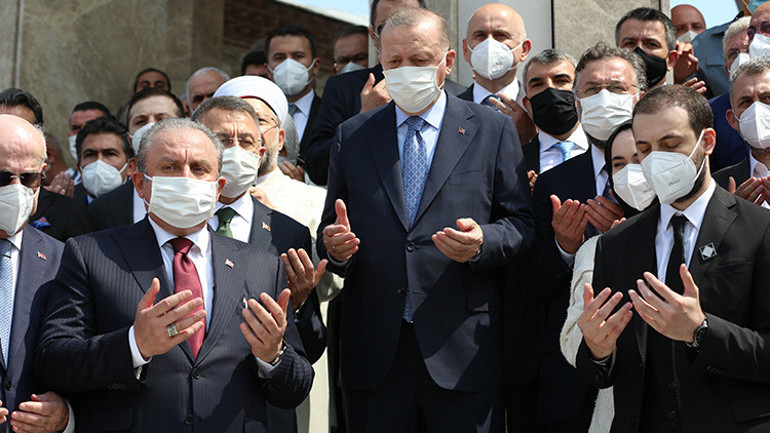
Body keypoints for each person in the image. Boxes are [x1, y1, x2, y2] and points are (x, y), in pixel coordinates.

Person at [319, 8, 534, 431]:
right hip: (375, 353)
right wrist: (336, 249)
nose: (404, 71)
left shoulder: (492, 130)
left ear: (447, 62)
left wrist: (483, 242)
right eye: (393, 62)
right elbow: (332, 234)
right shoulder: (352, 136)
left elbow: (522, 225)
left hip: (463, 352)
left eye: (418, 61)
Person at [36, 118, 314, 432]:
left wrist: (272, 355)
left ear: (218, 187)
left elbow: (297, 387)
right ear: (140, 184)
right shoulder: (91, 255)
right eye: (169, 167)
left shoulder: (262, 265)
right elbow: (54, 361)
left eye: (199, 168)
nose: (186, 179)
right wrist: (133, 345)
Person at [576, 84, 770, 432]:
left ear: (707, 142)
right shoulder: (617, 244)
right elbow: (602, 374)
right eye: (644, 149)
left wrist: (701, 331)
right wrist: (596, 349)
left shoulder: (760, 229)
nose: (655, 160)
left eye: (670, 145)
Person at [522, 42, 646, 433]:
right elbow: (530, 286)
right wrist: (565, 247)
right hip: (571, 370)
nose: (603, 97)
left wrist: (627, 232)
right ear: (577, 102)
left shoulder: (665, 172)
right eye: (591, 90)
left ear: (639, 97)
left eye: (616, 87)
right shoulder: (554, 183)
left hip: (650, 365)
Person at [194, 95, 328, 433]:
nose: (235, 150)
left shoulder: (288, 231)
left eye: (247, 141)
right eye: (223, 140)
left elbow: (308, 349)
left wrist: (297, 305)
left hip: (259, 415)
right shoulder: (172, 221)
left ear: (260, 152)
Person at [559, 121, 656, 433]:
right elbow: (574, 338)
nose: (631, 171)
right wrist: (595, 345)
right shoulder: (598, 250)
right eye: (619, 163)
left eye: (641, 158)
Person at [302, 0, 465, 186]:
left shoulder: (459, 97)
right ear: (373, 36)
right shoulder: (345, 89)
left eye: (410, 18)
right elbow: (318, 169)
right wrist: (363, 119)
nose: (401, 29)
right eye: (388, 24)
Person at [0, 114, 73, 433]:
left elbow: (84, 358)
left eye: (28, 178)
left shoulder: (67, 261)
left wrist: (67, 415)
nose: (16, 189)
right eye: (2, 177)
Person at [88, 89, 183, 230]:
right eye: (140, 121)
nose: (151, 127)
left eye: (162, 119)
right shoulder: (103, 208)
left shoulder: (205, 193)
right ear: (129, 138)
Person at [459, 3, 537, 146]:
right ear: (465, 50)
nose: (489, 44)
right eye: (480, 36)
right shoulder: (449, 110)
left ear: (524, 50)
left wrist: (531, 136)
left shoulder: (537, 109)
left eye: (501, 35)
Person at [713, 57, 770, 208]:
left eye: (767, 98)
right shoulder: (717, 187)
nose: (757, 110)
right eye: (746, 102)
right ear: (733, 120)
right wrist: (730, 220)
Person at [520, 49, 587, 176]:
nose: (550, 89)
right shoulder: (513, 163)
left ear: (581, 92)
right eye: (538, 84)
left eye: (561, 80)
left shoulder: (608, 150)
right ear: (527, 104)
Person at [265, 24, 322, 172]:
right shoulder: (257, 116)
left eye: (298, 56)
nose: (288, 64)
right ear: (268, 70)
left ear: (315, 66)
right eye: (279, 57)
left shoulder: (330, 114)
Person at [615, 7, 702, 93]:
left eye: (651, 44)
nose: (639, 50)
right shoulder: (604, 102)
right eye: (629, 43)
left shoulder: (682, 105)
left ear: (671, 59)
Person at [709, 17, 752, 172]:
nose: (742, 59)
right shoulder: (711, 111)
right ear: (727, 68)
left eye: (749, 50)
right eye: (733, 54)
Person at [72, 117, 136, 203]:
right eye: (90, 155)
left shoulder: (144, 205)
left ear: (130, 166)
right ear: (79, 168)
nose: (99, 162)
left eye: (110, 154)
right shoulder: (67, 203)